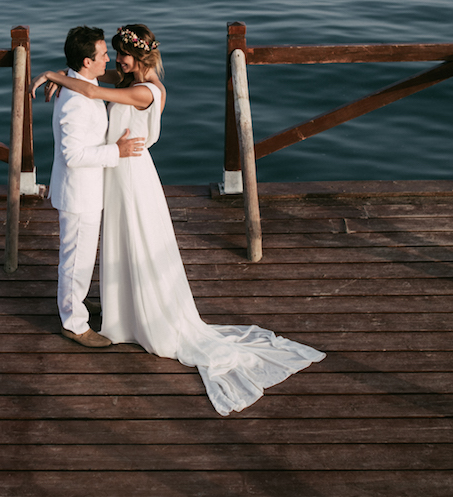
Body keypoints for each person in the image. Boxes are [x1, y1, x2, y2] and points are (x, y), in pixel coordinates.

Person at [32, 24, 324, 415]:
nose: (115, 60)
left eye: (121, 54)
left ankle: (133, 313)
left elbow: (91, 89)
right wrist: (67, 77)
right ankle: (119, 308)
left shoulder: (144, 91)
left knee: (137, 242)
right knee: (119, 244)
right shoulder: (128, 80)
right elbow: (87, 88)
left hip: (129, 172)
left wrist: (57, 75)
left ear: (140, 57)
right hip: (114, 172)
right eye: (110, 54)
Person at [46, 26, 145, 349]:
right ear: (88, 61)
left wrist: (60, 74)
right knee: (76, 259)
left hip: (88, 189)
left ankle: (77, 303)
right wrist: (117, 151)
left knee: (83, 257)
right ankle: (73, 324)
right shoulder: (75, 100)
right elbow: (72, 156)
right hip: (78, 192)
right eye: (103, 55)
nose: (108, 60)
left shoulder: (83, 83)